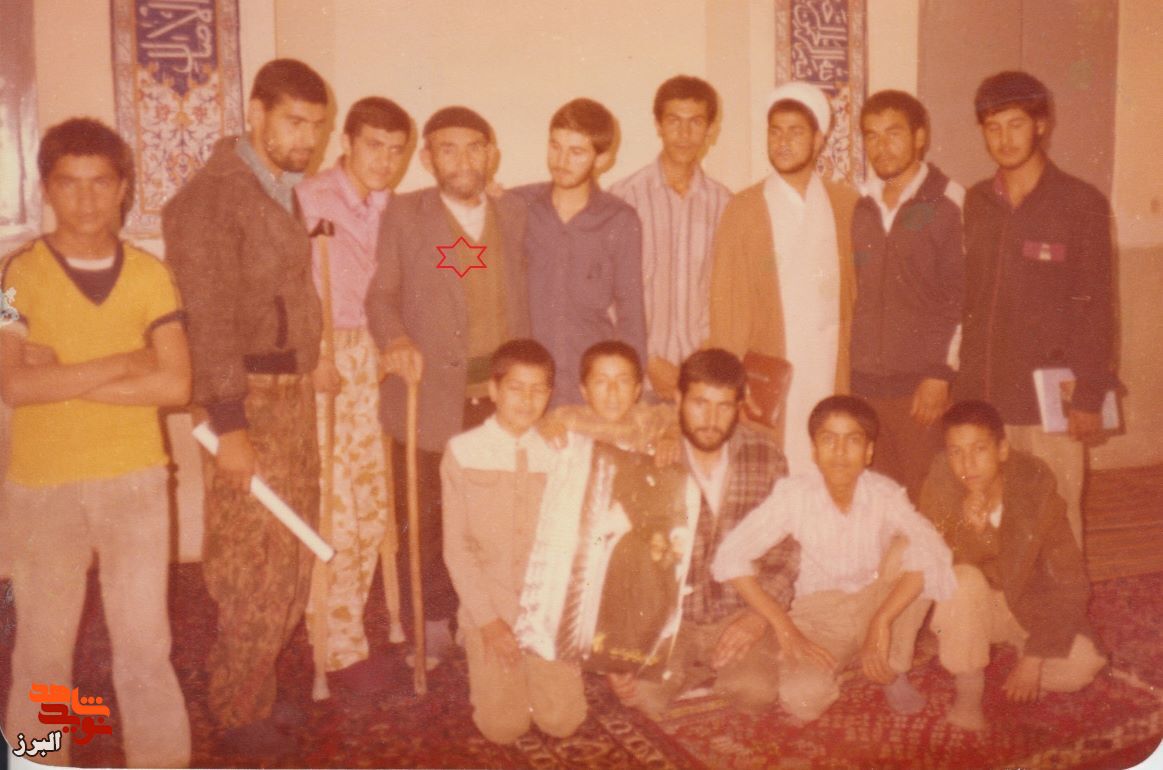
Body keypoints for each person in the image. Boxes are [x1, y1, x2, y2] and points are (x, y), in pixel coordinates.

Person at [1, 118, 191, 767]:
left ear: (123, 188)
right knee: (43, 652)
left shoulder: (152, 274)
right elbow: (14, 387)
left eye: (100, 183)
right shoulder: (14, 273)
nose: (85, 200)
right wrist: (123, 362)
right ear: (46, 188)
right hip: (43, 486)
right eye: (69, 183)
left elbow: (175, 384)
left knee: (145, 649)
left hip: (135, 479)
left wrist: (60, 375)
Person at [162, 58, 328, 757]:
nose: (307, 138)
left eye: (317, 126)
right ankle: (237, 713)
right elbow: (208, 321)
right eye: (294, 122)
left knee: (287, 554)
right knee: (250, 564)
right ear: (255, 113)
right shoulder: (212, 198)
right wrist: (228, 424)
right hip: (245, 400)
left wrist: (310, 357)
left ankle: (256, 687)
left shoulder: (276, 186)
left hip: (288, 395)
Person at [365, 106, 531, 664]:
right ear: (427, 157)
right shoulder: (405, 214)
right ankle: (432, 620)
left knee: (491, 515)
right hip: (429, 396)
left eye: (475, 147)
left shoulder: (513, 212)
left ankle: (482, 616)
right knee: (429, 517)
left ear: (492, 155)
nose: (463, 160)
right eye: (448, 148)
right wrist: (395, 339)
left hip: (497, 399)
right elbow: (381, 296)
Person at [712, 395, 956, 723]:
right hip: (819, 618)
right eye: (829, 440)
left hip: (872, 602)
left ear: (868, 452)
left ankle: (892, 666)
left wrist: (881, 620)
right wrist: (785, 628)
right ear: (814, 450)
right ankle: (839, 656)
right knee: (803, 700)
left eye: (852, 440)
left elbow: (934, 549)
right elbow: (731, 556)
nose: (840, 451)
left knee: (913, 550)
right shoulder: (794, 495)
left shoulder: (884, 493)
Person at [957, 71, 1117, 546]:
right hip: (987, 396)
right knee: (992, 521)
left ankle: (1063, 599)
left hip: (1051, 401)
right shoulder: (976, 201)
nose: (1004, 139)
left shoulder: (1081, 202)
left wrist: (1089, 395)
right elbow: (969, 300)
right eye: (993, 128)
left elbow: (1097, 305)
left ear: (1041, 125)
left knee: (1056, 519)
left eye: (1016, 124)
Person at [606, 348, 797, 719]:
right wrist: (616, 651)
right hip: (670, 619)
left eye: (723, 407)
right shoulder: (649, 460)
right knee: (640, 697)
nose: (711, 419)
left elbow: (786, 551)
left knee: (756, 692)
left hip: (737, 611)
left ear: (739, 406)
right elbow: (619, 560)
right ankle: (690, 668)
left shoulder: (766, 458)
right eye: (699, 404)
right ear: (678, 399)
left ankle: (702, 669)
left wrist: (757, 618)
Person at [295, 96, 411, 693]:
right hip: (325, 354)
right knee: (336, 507)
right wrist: (311, 356)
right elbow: (288, 288)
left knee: (371, 503)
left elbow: (436, 263)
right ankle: (336, 645)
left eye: (396, 150)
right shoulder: (309, 198)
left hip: (374, 352)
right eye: (374, 146)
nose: (385, 161)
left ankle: (349, 628)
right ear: (347, 142)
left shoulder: (395, 207)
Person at [922, 400, 1107, 731]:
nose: (967, 464)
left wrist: (1033, 659)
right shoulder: (941, 485)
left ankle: (1010, 656)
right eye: (956, 452)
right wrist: (968, 529)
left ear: (1002, 450)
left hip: (1029, 607)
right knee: (961, 580)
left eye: (979, 449)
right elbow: (932, 570)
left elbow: (1071, 583)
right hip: (975, 607)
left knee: (1083, 666)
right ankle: (969, 691)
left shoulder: (1035, 489)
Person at [441, 339, 587, 744]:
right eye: (516, 388)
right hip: (490, 606)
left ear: (550, 394)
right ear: (493, 390)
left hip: (546, 611)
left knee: (563, 721)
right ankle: (482, 652)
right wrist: (489, 622)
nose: (527, 399)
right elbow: (457, 550)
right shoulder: (463, 451)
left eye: (538, 389)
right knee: (503, 728)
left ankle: (541, 676)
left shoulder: (561, 450)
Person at [708, 81, 858, 473]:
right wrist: (731, 385)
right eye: (775, 132)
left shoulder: (846, 205)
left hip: (830, 366)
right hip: (769, 372)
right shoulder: (744, 208)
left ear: (819, 140)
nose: (783, 142)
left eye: (795, 132)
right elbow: (727, 308)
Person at [850, 90, 965, 503]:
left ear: (919, 137)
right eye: (872, 135)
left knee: (928, 499)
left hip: (920, 389)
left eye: (893, 133)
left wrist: (940, 373)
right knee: (878, 502)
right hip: (865, 385)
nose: (881, 146)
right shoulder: (860, 204)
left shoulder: (949, 202)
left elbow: (963, 296)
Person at [515, 98, 646, 406]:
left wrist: (629, 389)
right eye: (555, 146)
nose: (561, 161)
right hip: (528, 384)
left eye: (576, 152)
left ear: (602, 159)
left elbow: (631, 313)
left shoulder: (620, 219)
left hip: (589, 384)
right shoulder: (517, 206)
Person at [610, 75, 732, 400]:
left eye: (695, 122)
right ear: (658, 125)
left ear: (710, 129)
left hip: (702, 382)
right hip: (637, 378)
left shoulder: (725, 205)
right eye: (674, 121)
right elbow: (607, 294)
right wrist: (646, 359)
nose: (684, 134)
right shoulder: (623, 199)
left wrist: (701, 364)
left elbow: (725, 294)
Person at [541, 339, 678, 457]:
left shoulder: (647, 418)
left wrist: (670, 436)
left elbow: (680, 419)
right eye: (601, 381)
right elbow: (539, 423)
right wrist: (548, 428)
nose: (613, 390)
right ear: (585, 392)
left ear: (637, 391)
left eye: (623, 381)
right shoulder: (570, 418)